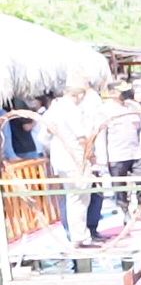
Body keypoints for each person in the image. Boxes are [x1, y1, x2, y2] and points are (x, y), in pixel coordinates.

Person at [47, 77, 103, 247]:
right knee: (78, 198)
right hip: (74, 158)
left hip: (63, 158)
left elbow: (44, 135)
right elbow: (81, 137)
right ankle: (80, 237)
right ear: (78, 94)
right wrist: (90, 155)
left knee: (74, 198)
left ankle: (79, 235)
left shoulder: (53, 108)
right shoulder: (70, 109)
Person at [102, 84, 141, 218]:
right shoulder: (105, 110)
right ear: (113, 93)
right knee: (120, 186)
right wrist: (102, 159)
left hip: (136, 152)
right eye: (121, 92)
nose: (126, 94)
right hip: (116, 154)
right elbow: (101, 136)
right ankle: (124, 211)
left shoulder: (133, 107)